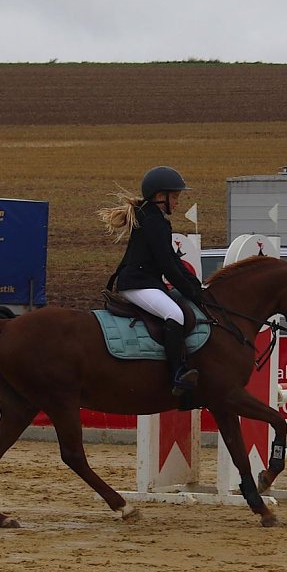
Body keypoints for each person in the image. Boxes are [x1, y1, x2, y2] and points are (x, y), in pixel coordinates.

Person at [99, 166, 203, 398]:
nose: (177, 203)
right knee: (174, 315)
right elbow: (167, 265)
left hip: (146, 282)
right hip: (137, 284)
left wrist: (195, 286)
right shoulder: (153, 221)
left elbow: (174, 261)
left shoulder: (152, 216)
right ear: (160, 197)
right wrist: (193, 291)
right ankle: (177, 374)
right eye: (174, 197)